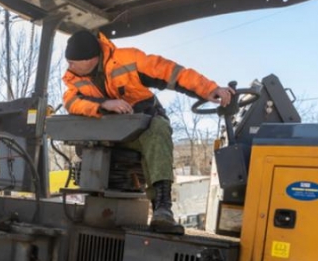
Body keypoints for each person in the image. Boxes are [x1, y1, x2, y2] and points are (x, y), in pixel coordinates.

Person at [62, 30, 234, 235]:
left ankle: (162, 208)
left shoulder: (128, 60)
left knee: (157, 131)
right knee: (88, 147)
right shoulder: (74, 79)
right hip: (113, 135)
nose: (69, 66)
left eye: (73, 62)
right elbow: (71, 102)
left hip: (142, 127)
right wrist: (105, 104)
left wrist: (208, 89)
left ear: (90, 59)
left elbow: (171, 72)